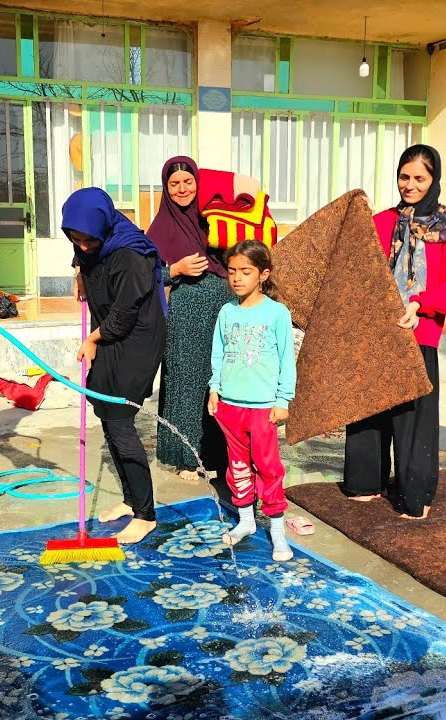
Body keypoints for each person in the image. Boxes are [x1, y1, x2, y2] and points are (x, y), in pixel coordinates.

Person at [339, 144, 446, 519]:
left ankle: (414, 493)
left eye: (419, 178)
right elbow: (354, 268)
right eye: (404, 177)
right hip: (377, 332)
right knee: (370, 407)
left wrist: (419, 304)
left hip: (419, 332)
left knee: (413, 418)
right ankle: (366, 482)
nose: (410, 185)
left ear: (434, 179)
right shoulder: (381, 222)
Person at [63, 187, 168, 545]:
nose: (84, 246)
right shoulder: (91, 243)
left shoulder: (130, 254)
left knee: (121, 422)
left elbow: (124, 315)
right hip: (108, 333)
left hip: (135, 339)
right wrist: (79, 272)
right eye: (75, 239)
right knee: (106, 415)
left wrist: (92, 340)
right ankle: (130, 499)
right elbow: (83, 256)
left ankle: (146, 515)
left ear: (105, 227)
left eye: (89, 240)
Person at [208, 240, 296, 562]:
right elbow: (218, 354)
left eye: (246, 271)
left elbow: (287, 360)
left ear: (263, 274)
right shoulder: (226, 311)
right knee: (238, 466)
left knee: (268, 467)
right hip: (230, 406)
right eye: (232, 271)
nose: (237, 278)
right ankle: (246, 520)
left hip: (263, 409)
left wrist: (283, 399)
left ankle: (277, 530)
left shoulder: (277, 313)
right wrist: (214, 389)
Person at [147, 156, 233, 483]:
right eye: (174, 184)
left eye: (188, 182)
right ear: (166, 188)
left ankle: (218, 455)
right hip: (184, 314)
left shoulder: (213, 218)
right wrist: (175, 269)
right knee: (185, 381)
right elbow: (145, 273)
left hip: (222, 309)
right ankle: (186, 457)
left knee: (219, 378)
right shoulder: (161, 226)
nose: (182, 189)